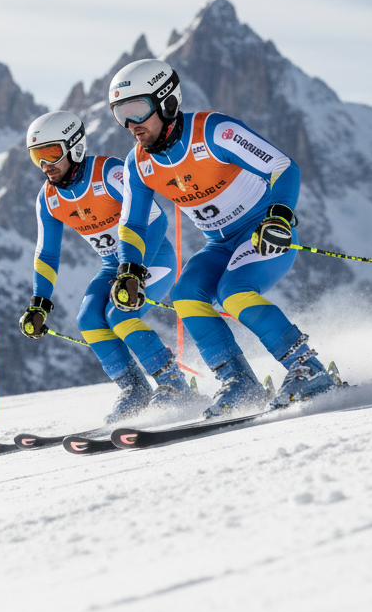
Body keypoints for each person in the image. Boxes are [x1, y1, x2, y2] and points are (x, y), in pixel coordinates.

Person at [109, 59, 343, 418]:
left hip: (263, 233)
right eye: (120, 114)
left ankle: (309, 370)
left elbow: (283, 167)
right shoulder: (138, 163)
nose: (130, 125)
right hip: (218, 245)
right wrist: (130, 268)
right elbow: (133, 224)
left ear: (167, 101)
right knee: (186, 294)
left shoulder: (213, 131)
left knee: (233, 293)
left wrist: (278, 216)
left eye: (137, 110)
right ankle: (238, 380)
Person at [19, 110, 197, 423]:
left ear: (74, 147)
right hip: (112, 267)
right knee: (88, 319)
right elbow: (46, 254)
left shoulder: (108, 173)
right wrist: (39, 305)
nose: (45, 165)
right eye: (37, 157)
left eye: (51, 153)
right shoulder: (48, 198)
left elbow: (155, 220)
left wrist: (134, 270)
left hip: (152, 259)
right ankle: (135, 390)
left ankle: (174, 386)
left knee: (119, 315)